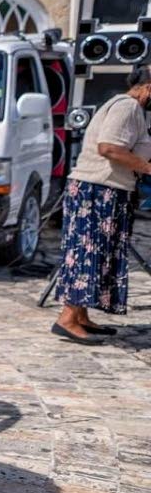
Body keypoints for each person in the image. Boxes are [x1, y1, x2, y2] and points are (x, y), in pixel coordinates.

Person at [52, 65, 151, 344]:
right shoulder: (127, 107)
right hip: (98, 191)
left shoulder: (127, 107)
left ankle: (80, 316)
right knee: (87, 252)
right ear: (148, 89)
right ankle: (68, 318)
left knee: (96, 254)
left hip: (103, 190)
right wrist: (146, 167)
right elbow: (108, 147)